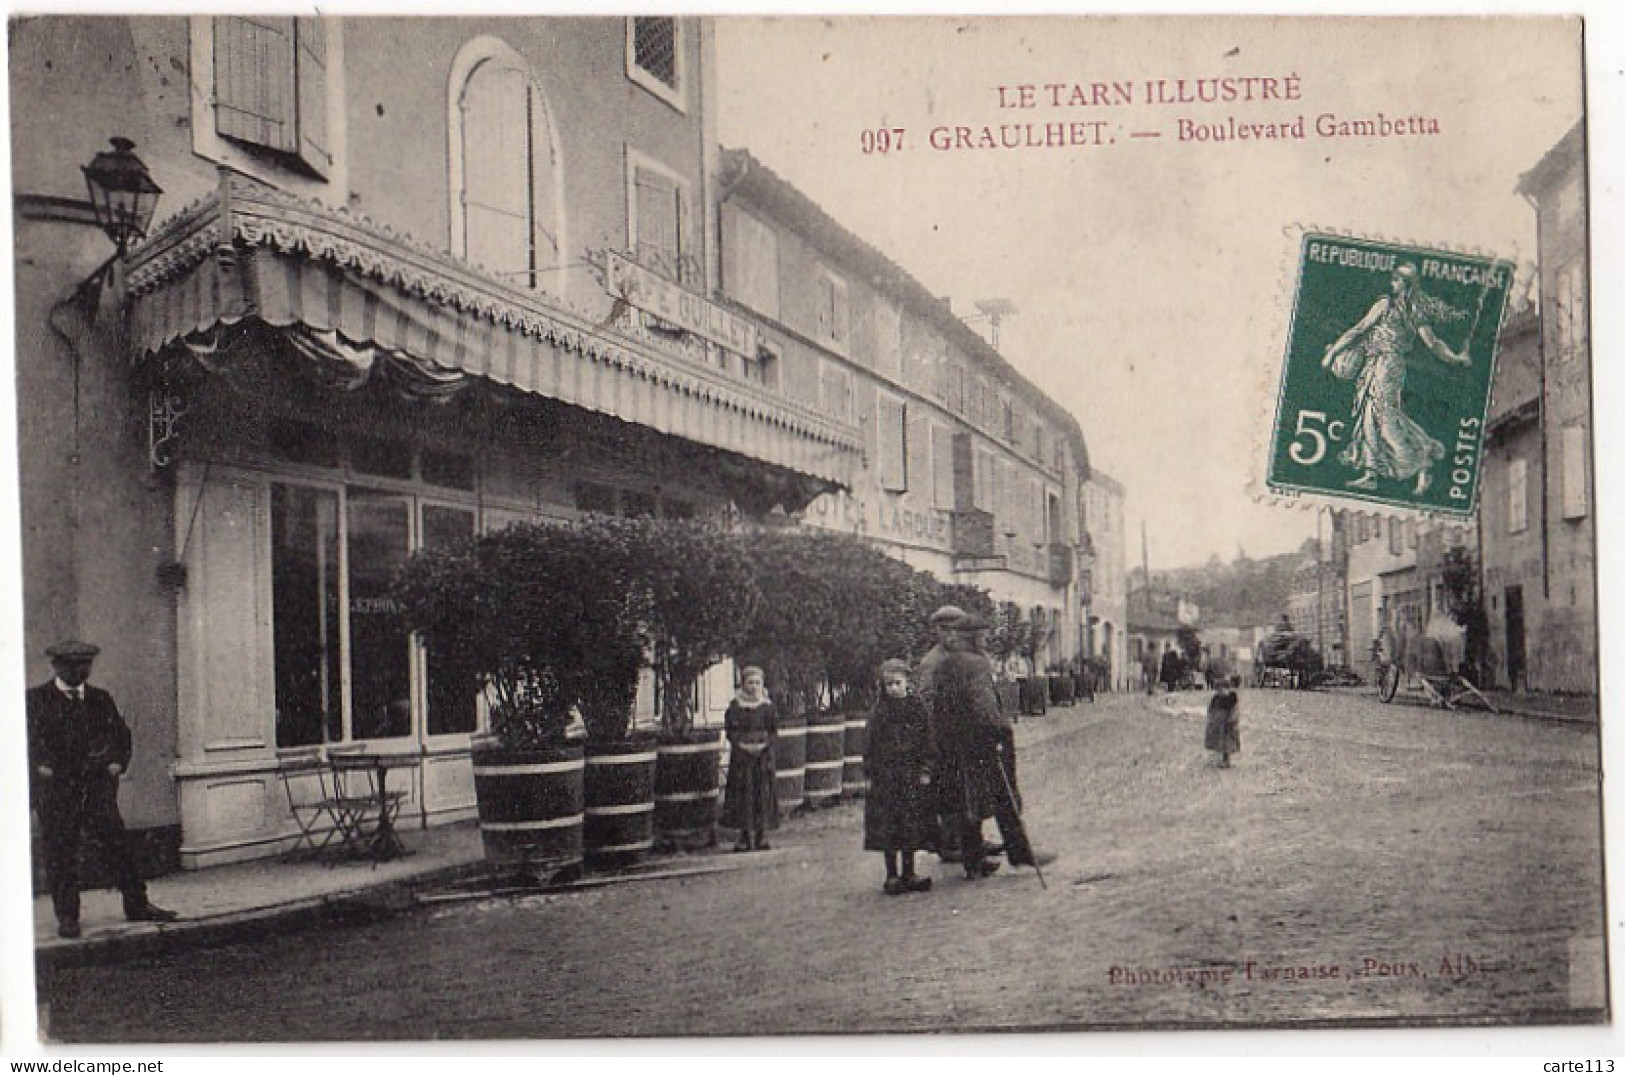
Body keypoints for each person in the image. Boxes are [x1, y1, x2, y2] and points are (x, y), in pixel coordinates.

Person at [27, 640, 178, 939]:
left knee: (119, 847)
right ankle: (68, 917)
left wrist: (116, 763)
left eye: (85, 664)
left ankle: (137, 904)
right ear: (56, 666)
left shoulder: (99, 699)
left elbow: (121, 735)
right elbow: (20, 742)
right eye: (72, 665)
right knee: (61, 853)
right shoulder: (36, 700)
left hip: (95, 789)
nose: (80, 670)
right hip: (57, 792)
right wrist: (38, 768)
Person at [1321, 261, 1473, 495]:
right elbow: (1432, 344)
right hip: (1377, 364)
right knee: (1369, 415)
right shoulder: (1403, 308)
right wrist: (1455, 359)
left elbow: (1360, 329)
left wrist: (1332, 353)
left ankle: (1423, 461)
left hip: (1386, 365)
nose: (1392, 283)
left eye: (1397, 280)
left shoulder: (1398, 307)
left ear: (1407, 284)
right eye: (1392, 279)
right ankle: (1372, 473)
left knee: (1385, 418)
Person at [932, 615, 1055, 879]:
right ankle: (1020, 853)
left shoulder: (945, 664)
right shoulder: (976, 664)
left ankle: (973, 860)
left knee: (967, 799)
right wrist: (999, 731)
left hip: (952, 743)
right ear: (973, 637)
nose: (986, 640)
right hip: (980, 741)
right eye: (982, 635)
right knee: (1003, 795)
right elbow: (983, 705)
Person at [863, 659, 937, 895]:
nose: (893, 688)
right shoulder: (879, 712)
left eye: (898, 683)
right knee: (888, 826)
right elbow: (870, 745)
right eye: (889, 684)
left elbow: (928, 741)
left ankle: (909, 871)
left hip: (911, 776)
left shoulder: (918, 708)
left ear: (907, 683)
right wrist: (870, 772)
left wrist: (926, 769)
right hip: (886, 778)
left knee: (911, 824)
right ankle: (891, 875)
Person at [914, 604, 965, 862]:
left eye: (956, 629)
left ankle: (963, 838)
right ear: (937, 631)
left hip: (963, 735)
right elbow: (925, 704)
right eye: (945, 630)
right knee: (947, 789)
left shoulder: (963, 657)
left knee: (964, 787)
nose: (951, 635)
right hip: (942, 737)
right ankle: (950, 842)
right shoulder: (931, 663)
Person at [721, 666, 778, 852]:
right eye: (750, 683)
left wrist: (764, 745)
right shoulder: (735, 707)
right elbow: (731, 731)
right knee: (743, 795)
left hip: (762, 758)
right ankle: (744, 836)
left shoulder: (767, 707)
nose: (753, 687)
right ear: (743, 684)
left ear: (762, 685)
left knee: (762, 794)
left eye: (757, 683)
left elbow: (774, 731)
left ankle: (762, 835)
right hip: (742, 758)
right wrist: (742, 745)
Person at [1204, 675, 1242, 768]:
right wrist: (1211, 718)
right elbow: (1211, 709)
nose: (1221, 692)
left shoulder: (1232, 698)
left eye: (1223, 689)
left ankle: (1226, 759)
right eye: (1218, 690)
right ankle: (1219, 759)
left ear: (1227, 689)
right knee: (1218, 742)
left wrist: (1232, 720)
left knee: (1228, 744)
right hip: (1218, 724)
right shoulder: (1216, 699)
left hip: (1228, 724)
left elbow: (1234, 710)